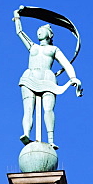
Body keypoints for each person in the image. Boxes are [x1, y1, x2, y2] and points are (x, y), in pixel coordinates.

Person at [14, 9, 82, 147]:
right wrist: (17, 17)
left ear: (49, 34)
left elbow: (66, 64)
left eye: (42, 29)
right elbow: (20, 33)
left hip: (48, 78)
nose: (39, 31)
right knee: (28, 109)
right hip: (30, 76)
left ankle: (51, 140)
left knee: (48, 109)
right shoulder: (33, 47)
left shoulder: (53, 49)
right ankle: (26, 133)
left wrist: (73, 77)